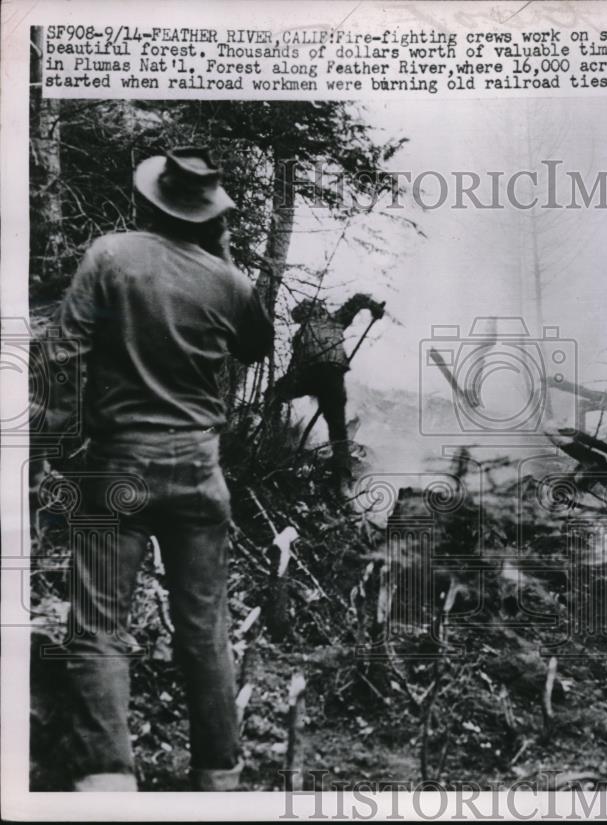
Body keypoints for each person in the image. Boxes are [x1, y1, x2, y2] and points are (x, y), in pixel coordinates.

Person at [39, 147, 273, 791]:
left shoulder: (109, 256)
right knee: (205, 627)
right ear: (210, 216)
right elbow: (255, 345)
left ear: (149, 201)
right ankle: (218, 775)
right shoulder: (231, 282)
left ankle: (107, 781)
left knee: (97, 625)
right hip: (200, 467)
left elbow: (62, 355)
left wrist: (52, 448)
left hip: (115, 464)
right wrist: (222, 260)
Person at [273, 292, 385, 492]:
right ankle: (341, 480)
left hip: (318, 376)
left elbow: (358, 299)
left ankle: (342, 480)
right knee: (337, 429)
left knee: (336, 428)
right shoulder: (320, 326)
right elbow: (295, 364)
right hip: (323, 377)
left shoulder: (330, 322)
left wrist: (375, 308)